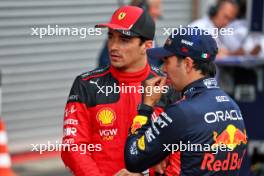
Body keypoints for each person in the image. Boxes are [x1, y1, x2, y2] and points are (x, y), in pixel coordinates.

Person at [61, 5, 178, 176]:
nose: (113, 46)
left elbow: (181, 145)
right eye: (110, 37)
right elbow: (73, 146)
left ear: (147, 45)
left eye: (124, 40)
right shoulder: (86, 84)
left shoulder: (167, 85)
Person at [124, 27, 248, 175]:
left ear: (187, 64)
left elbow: (133, 159)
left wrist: (146, 107)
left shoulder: (182, 112)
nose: (163, 69)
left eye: (167, 61)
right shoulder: (233, 107)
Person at [98, 0, 163, 67]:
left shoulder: (146, 34)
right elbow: (105, 64)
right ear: (144, 7)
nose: (159, 12)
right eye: (156, 7)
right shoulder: (121, 33)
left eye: (124, 40)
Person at [190, 0, 259, 57]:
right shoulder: (198, 27)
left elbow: (236, 51)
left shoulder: (224, 30)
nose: (227, 22)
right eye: (225, 17)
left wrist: (249, 53)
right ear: (215, 11)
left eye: (230, 20)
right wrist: (211, 55)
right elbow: (190, 52)